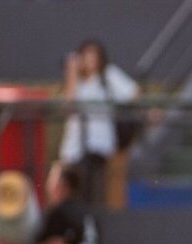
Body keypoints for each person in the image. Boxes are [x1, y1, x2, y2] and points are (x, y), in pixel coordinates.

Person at [58, 39, 138, 206]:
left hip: (98, 146)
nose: (90, 60)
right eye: (86, 55)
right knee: (70, 192)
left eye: (94, 55)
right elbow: (68, 107)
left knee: (94, 192)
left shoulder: (107, 75)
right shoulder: (76, 81)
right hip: (73, 148)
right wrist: (71, 72)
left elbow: (133, 92)